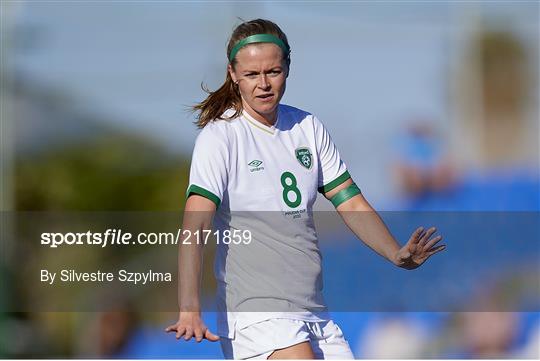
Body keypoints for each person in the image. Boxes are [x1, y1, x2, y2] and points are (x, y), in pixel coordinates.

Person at [165, 19, 446, 359]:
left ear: (288, 68)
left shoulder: (307, 127)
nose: (264, 84)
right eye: (252, 74)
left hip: (313, 309)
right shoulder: (221, 136)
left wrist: (395, 253)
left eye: (273, 71)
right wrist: (190, 308)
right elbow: (194, 226)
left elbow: (351, 203)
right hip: (257, 312)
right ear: (233, 74)